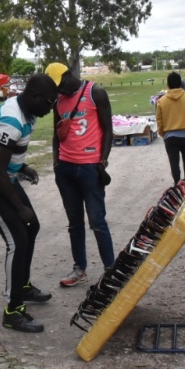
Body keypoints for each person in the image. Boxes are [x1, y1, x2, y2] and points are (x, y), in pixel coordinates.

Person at [0, 73, 58, 333]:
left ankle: (23, 285)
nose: (51, 109)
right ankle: (13, 310)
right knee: (17, 239)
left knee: (31, 227)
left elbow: (5, 157)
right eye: (49, 103)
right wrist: (19, 206)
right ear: (35, 96)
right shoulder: (11, 119)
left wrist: (23, 167)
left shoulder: (27, 112)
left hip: (4, 177)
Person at [44, 63, 116, 288]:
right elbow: (56, 134)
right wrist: (56, 162)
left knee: (97, 221)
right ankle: (79, 268)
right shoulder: (58, 101)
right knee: (74, 222)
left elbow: (108, 130)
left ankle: (110, 270)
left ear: (68, 75)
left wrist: (102, 161)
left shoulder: (95, 93)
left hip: (89, 168)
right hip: (65, 169)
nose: (60, 89)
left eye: (61, 84)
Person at [156, 71, 185, 186]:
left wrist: (162, 133)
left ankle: (177, 182)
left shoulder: (161, 101)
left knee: (174, 162)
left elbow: (159, 120)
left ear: (168, 85)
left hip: (170, 136)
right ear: (181, 83)